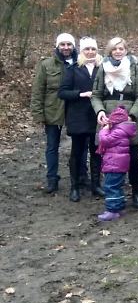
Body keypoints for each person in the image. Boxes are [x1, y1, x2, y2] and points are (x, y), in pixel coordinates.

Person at [91, 37, 138, 209]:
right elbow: (96, 94)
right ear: (110, 51)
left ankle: (137, 192)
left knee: (133, 157)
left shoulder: (135, 68)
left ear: (126, 50)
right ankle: (114, 194)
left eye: (121, 48)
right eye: (114, 49)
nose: (118, 51)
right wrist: (100, 111)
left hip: (128, 116)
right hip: (108, 117)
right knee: (110, 159)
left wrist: (132, 115)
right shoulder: (103, 68)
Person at [58, 36, 103, 201]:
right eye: (87, 49)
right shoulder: (74, 69)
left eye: (93, 49)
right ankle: (74, 187)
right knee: (76, 152)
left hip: (98, 116)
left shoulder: (103, 67)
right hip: (78, 116)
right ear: (82, 51)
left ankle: (96, 185)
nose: (90, 52)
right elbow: (62, 92)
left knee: (97, 151)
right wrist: (81, 94)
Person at [31, 33, 77, 193]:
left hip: (76, 110)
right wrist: (38, 114)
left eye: (69, 44)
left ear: (73, 46)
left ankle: (81, 176)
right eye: (62, 44)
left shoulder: (80, 63)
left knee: (80, 146)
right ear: (57, 46)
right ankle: (52, 178)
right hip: (52, 110)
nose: (66, 47)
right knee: (52, 146)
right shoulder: (46, 65)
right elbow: (38, 91)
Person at [96, 106, 136, 221]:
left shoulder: (118, 131)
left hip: (114, 165)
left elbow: (105, 140)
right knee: (117, 187)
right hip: (117, 164)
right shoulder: (122, 130)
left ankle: (112, 210)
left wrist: (104, 130)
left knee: (110, 187)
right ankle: (119, 207)